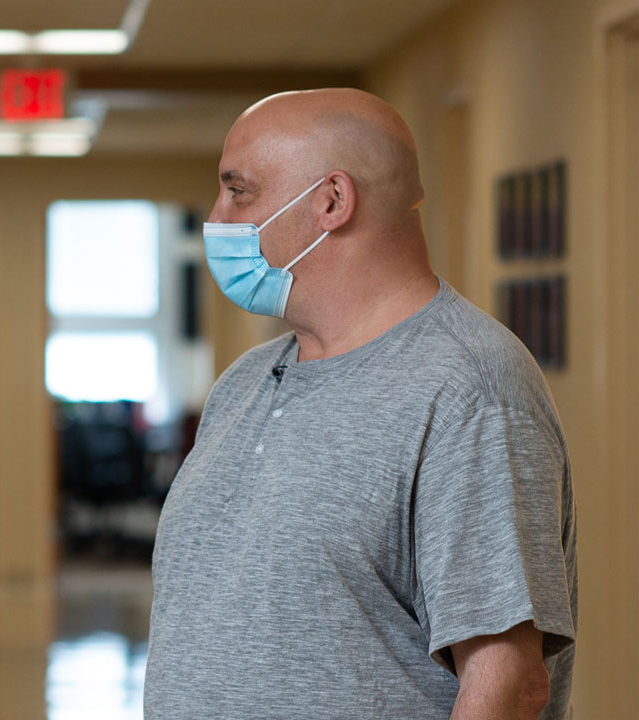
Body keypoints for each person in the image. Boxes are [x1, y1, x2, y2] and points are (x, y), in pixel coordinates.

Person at [145, 89, 576, 719]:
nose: (217, 217)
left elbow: (508, 686)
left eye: (238, 192)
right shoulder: (243, 383)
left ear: (331, 200)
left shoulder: (469, 389)